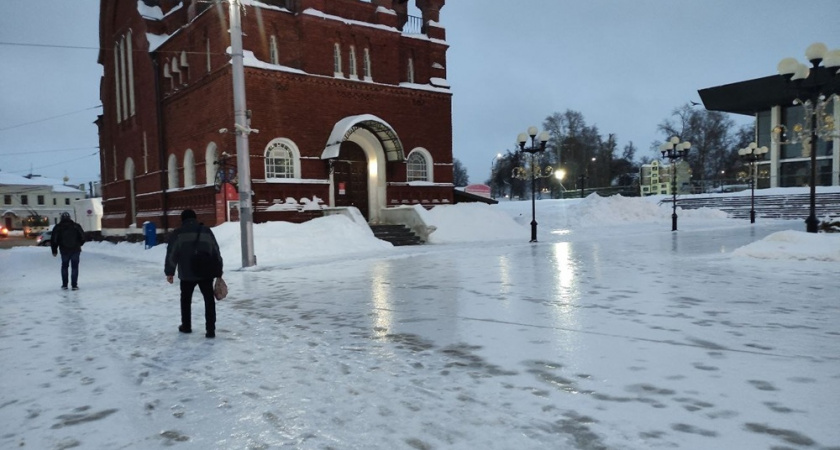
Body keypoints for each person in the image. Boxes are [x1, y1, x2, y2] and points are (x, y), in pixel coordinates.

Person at [164, 209, 223, 338]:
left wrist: (170, 272)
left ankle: (186, 326)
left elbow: (172, 253)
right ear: (195, 218)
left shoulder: (178, 233)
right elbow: (215, 250)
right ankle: (210, 330)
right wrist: (219, 270)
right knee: (209, 300)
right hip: (205, 272)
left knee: (186, 300)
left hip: (186, 273)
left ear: (183, 220)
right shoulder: (206, 231)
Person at [51, 212, 86, 290]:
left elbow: (54, 239)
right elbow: (83, 237)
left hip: (64, 249)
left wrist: (54, 250)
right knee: (75, 267)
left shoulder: (58, 227)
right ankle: (74, 285)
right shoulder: (76, 226)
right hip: (75, 249)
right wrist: (79, 244)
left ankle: (65, 285)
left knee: (64, 266)